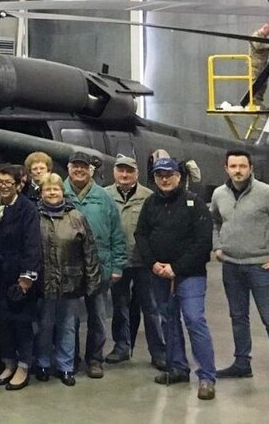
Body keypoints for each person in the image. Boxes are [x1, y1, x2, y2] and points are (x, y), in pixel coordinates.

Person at [211, 150, 269, 396]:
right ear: (226, 168)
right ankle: (242, 363)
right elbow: (215, 222)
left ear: (250, 168)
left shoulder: (267, 194)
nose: (238, 170)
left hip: (260, 268)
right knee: (238, 317)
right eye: (233, 166)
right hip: (231, 267)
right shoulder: (219, 194)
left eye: (242, 166)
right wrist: (217, 246)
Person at [136, 157, 216, 400]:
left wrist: (177, 268)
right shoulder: (151, 203)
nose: (164, 179)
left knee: (194, 319)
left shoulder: (194, 203)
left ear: (178, 177)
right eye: (160, 175)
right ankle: (178, 368)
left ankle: (207, 377)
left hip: (190, 275)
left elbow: (203, 242)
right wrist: (153, 263)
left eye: (169, 175)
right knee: (168, 321)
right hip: (160, 273)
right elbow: (141, 234)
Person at [62, 151, 127, 379]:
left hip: (99, 266)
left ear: (91, 170)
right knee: (69, 318)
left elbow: (116, 232)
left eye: (83, 166)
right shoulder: (59, 193)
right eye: (75, 166)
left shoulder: (103, 197)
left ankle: (94, 359)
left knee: (97, 317)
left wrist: (118, 266)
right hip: (69, 267)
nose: (79, 170)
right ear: (69, 168)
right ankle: (70, 359)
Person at [34, 173, 102, 387]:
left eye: (55, 189)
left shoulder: (76, 217)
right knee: (44, 325)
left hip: (70, 282)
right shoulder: (34, 217)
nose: (52, 193)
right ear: (41, 193)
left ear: (62, 192)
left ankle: (65, 366)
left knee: (68, 326)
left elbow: (89, 250)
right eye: (48, 189)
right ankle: (43, 363)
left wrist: (92, 281)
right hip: (42, 282)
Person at [0, 164, 41, 390]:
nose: (4, 186)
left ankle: (23, 367)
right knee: (3, 324)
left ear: (18, 185)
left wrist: (27, 278)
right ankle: (8, 364)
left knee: (21, 324)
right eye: (0, 182)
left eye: (8, 182)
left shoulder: (27, 209)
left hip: (19, 276)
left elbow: (32, 244)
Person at [104, 155, 166, 369]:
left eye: (129, 171)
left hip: (144, 262)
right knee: (119, 306)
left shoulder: (148, 196)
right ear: (114, 172)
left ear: (137, 174)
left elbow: (157, 229)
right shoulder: (105, 195)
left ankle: (158, 351)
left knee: (150, 308)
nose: (124, 175)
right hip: (118, 261)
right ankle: (121, 347)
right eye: (120, 170)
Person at [249, 22, 269, 107]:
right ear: (265, 28)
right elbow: (258, 46)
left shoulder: (264, 38)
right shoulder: (256, 35)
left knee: (263, 83)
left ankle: (258, 101)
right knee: (256, 83)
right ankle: (254, 101)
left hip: (263, 64)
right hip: (255, 65)